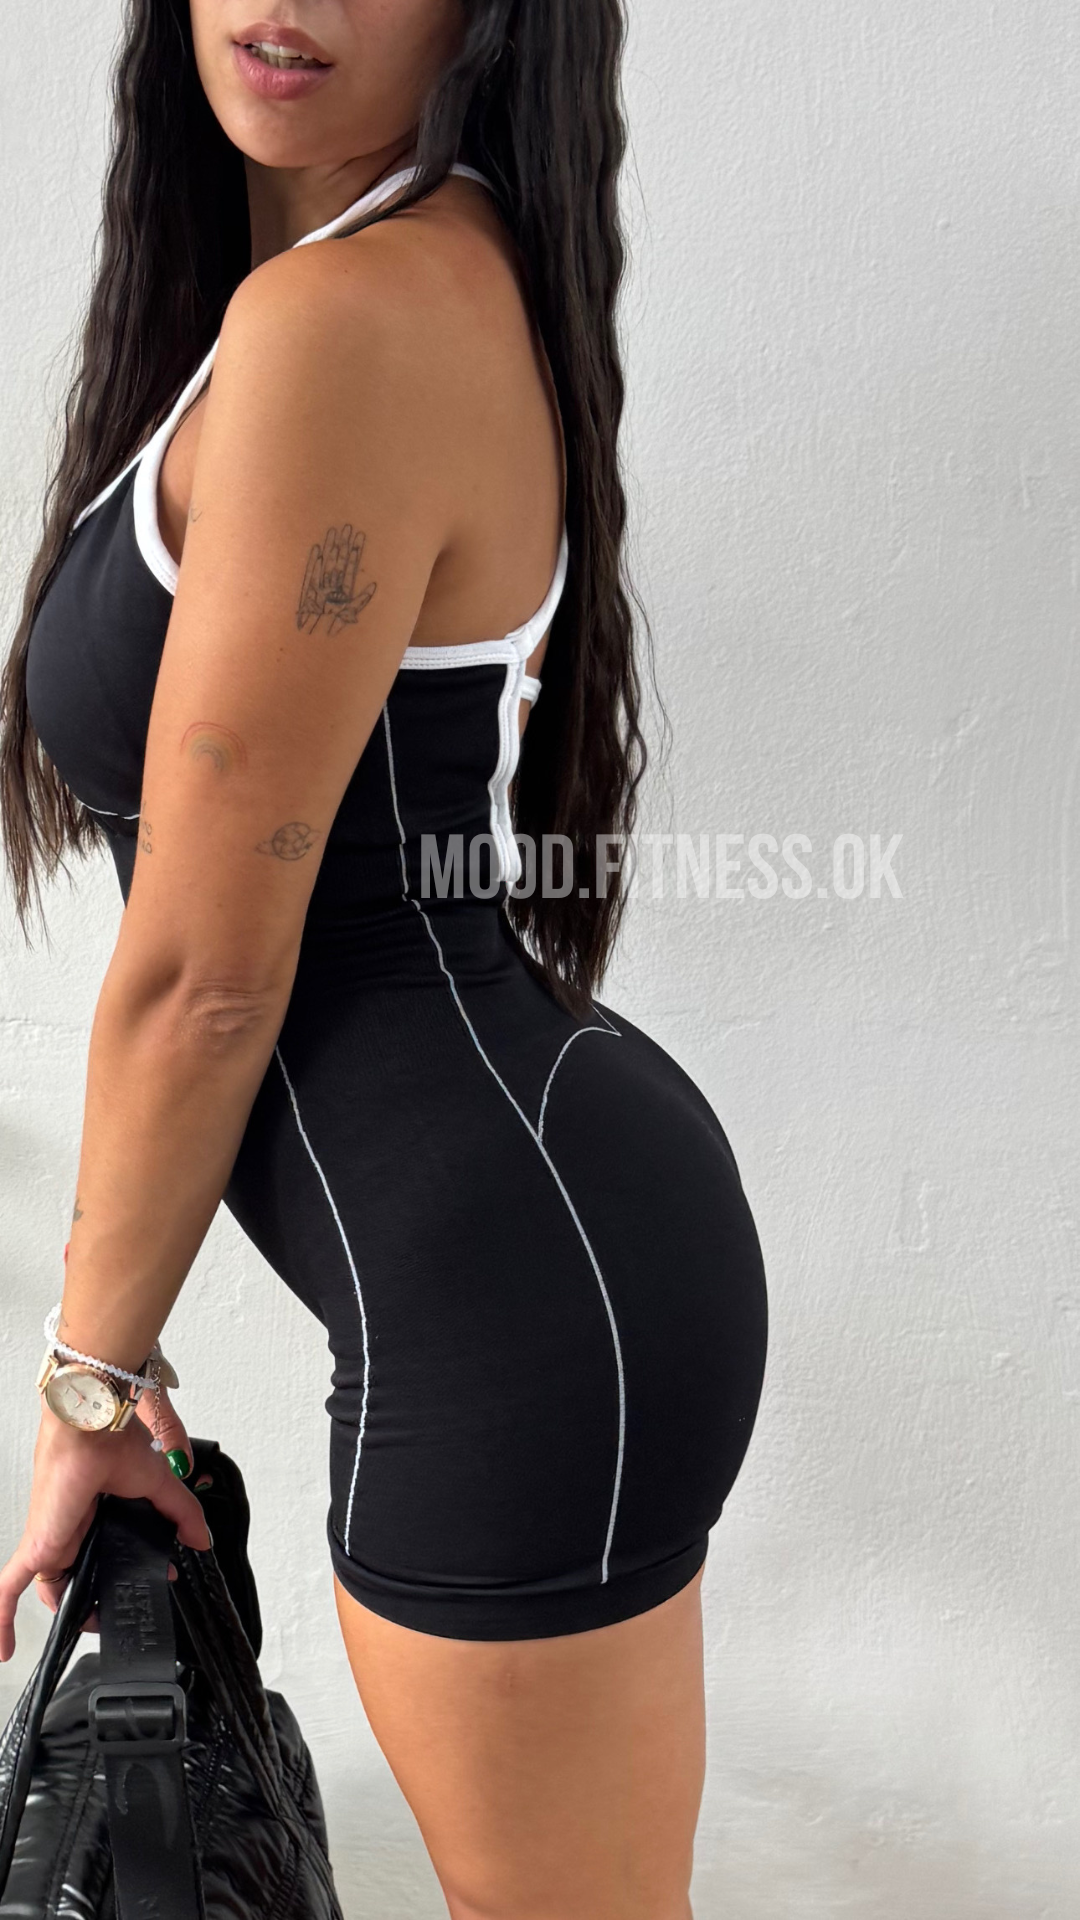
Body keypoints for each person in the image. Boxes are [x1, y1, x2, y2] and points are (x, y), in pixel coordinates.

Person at [0, 2, 769, 1913]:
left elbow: (208, 977)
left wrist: (87, 1383)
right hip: (545, 1246)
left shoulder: (348, 320)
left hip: (509, 1297)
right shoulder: (388, 275)